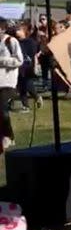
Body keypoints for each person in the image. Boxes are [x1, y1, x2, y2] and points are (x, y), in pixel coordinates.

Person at [0, 20, 23, 148]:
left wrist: (2, 60)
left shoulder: (11, 42)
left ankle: (7, 136)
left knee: (3, 110)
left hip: (8, 82)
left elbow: (19, 60)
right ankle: (8, 135)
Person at [15, 23, 43, 112]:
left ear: (25, 32)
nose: (17, 31)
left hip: (28, 66)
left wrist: (36, 65)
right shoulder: (16, 42)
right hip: (19, 66)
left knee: (28, 83)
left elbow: (35, 54)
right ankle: (25, 106)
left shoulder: (30, 42)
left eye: (19, 30)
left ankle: (37, 96)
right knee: (21, 87)